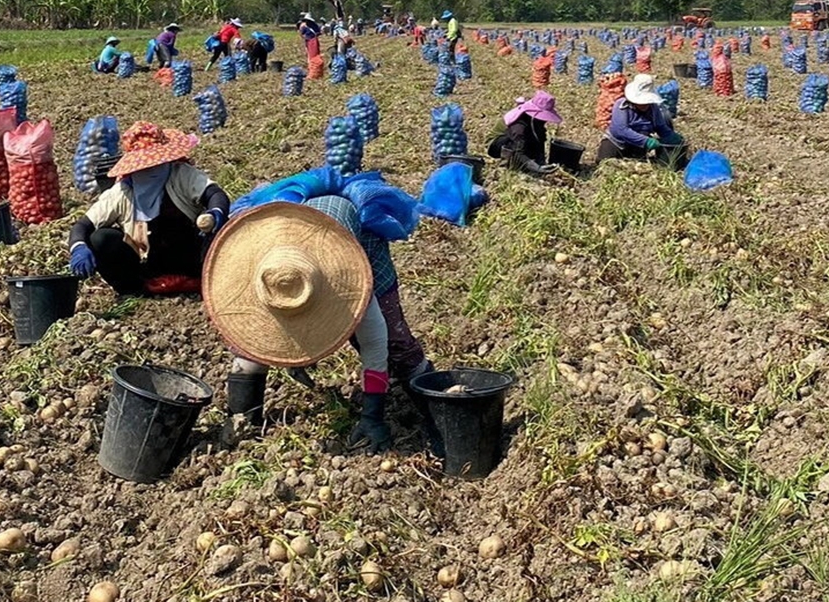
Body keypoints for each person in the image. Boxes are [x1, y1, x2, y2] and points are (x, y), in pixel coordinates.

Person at [210, 193, 439, 455]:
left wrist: (372, 417)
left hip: (359, 237)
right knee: (250, 347)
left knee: (395, 342)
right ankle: (244, 421)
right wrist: (289, 353)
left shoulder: (348, 284)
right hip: (287, 240)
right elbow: (251, 337)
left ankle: (435, 409)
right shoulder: (258, 269)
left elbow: (375, 345)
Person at [68, 122, 229, 296]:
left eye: (157, 163)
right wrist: (78, 247)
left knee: (220, 232)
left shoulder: (180, 174)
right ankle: (136, 289)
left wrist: (216, 212)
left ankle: (208, 280)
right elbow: (83, 225)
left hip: (192, 259)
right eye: (146, 167)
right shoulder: (122, 192)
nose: (152, 170)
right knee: (101, 239)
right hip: (148, 266)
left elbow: (215, 194)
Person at [597, 74, 685, 163]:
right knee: (604, 162)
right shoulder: (622, 106)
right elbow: (621, 130)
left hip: (638, 146)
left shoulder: (653, 108)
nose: (644, 105)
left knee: (636, 165)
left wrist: (671, 136)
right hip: (617, 142)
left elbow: (660, 126)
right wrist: (646, 141)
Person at [486, 91, 563, 175]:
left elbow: (540, 140)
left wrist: (541, 162)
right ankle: (508, 164)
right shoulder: (519, 126)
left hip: (518, 140)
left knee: (537, 134)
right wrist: (536, 168)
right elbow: (518, 151)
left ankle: (527, 161)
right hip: (496, 145)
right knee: (514, 145)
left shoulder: (534, 122)